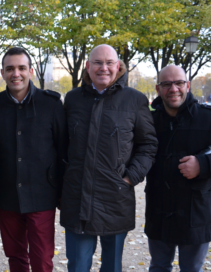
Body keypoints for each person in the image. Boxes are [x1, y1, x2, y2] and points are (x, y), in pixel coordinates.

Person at [60, 44, 158, 272]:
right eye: (97, 62)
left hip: (116, 200)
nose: (103, 68)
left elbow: (148, 145)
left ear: (118, 67)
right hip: (77, 200)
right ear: (88, 66)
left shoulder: (135, 100)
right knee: (78, 266)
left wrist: (129, 178)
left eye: (109, 63)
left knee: (112, 267)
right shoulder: (73, 99)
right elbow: (62, 146)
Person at [145, 65, 211, 272]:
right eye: (166, 84)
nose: (173, 88)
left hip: (195, 213)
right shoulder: (149, 121)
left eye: (179, 83)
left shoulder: (209, 118)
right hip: (158, 210)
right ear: (158, 88)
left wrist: (203, 165)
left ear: (187, 86)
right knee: (159, 266)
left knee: (191, 269)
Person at [0, 47, 68, 272]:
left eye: (21, 68)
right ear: (2, 73)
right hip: (7, 193)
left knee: (42, 258)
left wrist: (60, 191)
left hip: (42, 193)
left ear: (30, 71)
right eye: (10, 69)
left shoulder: (50, 103)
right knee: (15, 256)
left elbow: (62, 150)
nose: (16, 74)